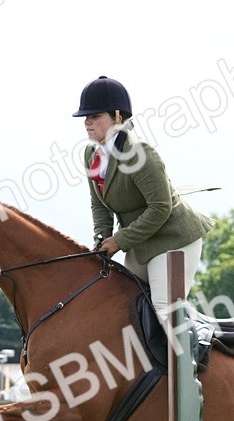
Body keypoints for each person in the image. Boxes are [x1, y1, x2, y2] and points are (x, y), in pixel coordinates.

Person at [73, 76, 214, 318]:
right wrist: (102, 239)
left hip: (174, 240)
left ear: (118, 117)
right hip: (141, 245)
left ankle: (197, 353)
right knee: (126, 311)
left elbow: (160, 207)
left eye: (95, 116)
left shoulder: (140, 153)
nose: (87, 122)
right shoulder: (90, 154)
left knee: (164, 313)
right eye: (86, 117)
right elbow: (99, 203)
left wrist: (118, 241)